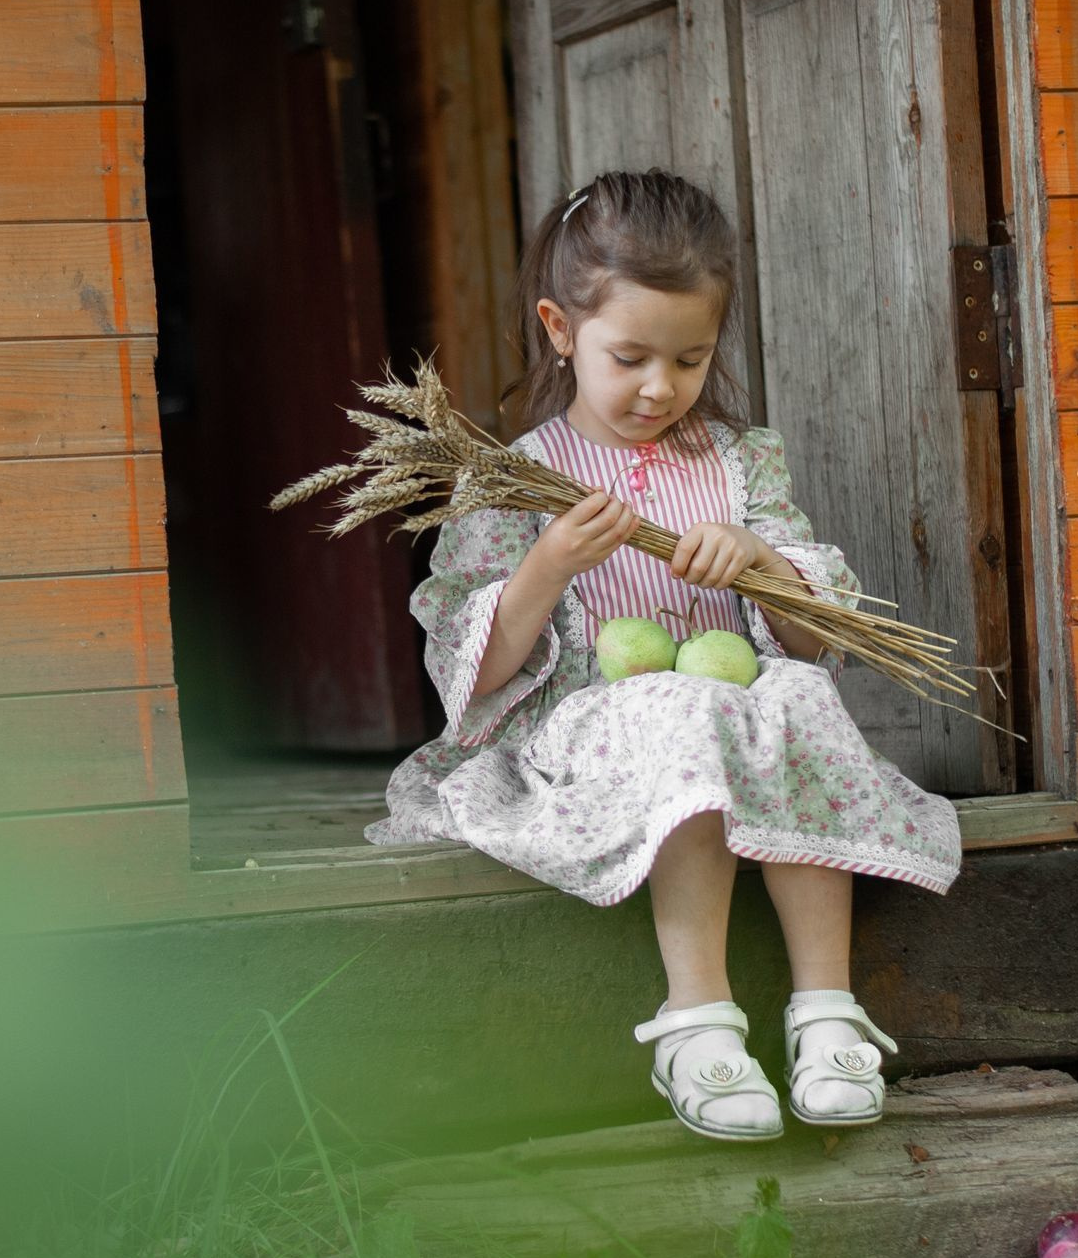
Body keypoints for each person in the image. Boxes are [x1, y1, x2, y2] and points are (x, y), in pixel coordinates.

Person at [365, 169, 963, 1142]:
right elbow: (472, 669)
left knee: (800, 696)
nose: (659, 386)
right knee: (682, 710)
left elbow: (818, 638)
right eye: (631, 355)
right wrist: (548, 565)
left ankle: (825, 1010)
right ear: (560, 329)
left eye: (688, 358)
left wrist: (763, 561)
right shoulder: (520, 479)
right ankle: (697, 1021)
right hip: (601, 720)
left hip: (734, 693)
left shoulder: (738, 461)